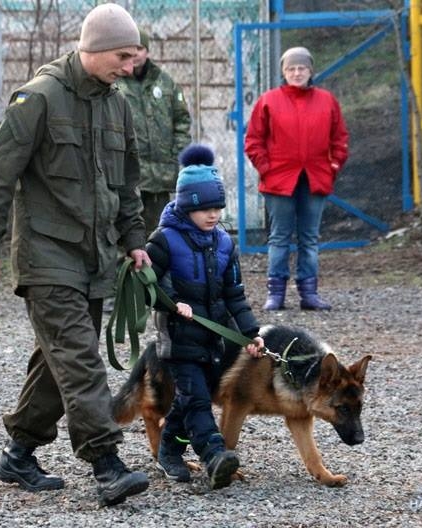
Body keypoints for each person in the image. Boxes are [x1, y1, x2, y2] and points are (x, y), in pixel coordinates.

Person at [0, 3, 151, 508]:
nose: (129, 66)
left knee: (56, 360)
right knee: (79, 357)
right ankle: (106, 463)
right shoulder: (40, 97)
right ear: (92, 50)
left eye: (134, 57)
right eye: (122, 56)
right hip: (46, 254)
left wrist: (134, 239)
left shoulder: (118, 105)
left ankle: (19, 452)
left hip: (94, 257)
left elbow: (128, 183)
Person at [145, 143, 265, 489]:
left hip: (214, 340)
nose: (213, 215)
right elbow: (145, 287)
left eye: (217, 208)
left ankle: (170, 448)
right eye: (205, 209)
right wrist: (170, 304)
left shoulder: (225, 243)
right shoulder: (164, 241)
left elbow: (235, 294)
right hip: (179, 342)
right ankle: (214, 455)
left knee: (187, 401)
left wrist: (250, 333)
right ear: (186, 206)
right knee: (198, 399)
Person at [244, 46, 349, 311]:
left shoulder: (326, 101)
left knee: (309, 238)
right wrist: (266, 168)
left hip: (315, 178)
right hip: (279, 180)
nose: (297, 73)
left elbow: (340, 139)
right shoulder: (269, 100)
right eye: (291, 68)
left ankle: (309, 293)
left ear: (311, 70)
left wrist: (332, 166)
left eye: (301, 68)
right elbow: (253, 140)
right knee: (279, 237)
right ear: (283, 72)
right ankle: (275, 294)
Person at [116, 28, 192, 236]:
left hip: (160, 174)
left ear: (147, 51)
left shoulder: (165, 82)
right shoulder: (116, 83)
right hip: (128, 173)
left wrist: (176, 153)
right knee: (127, 229)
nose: (135, 54)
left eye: (140, 48)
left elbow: (182, 120)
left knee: (158, 232)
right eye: (131, 50)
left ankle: (156, 269)